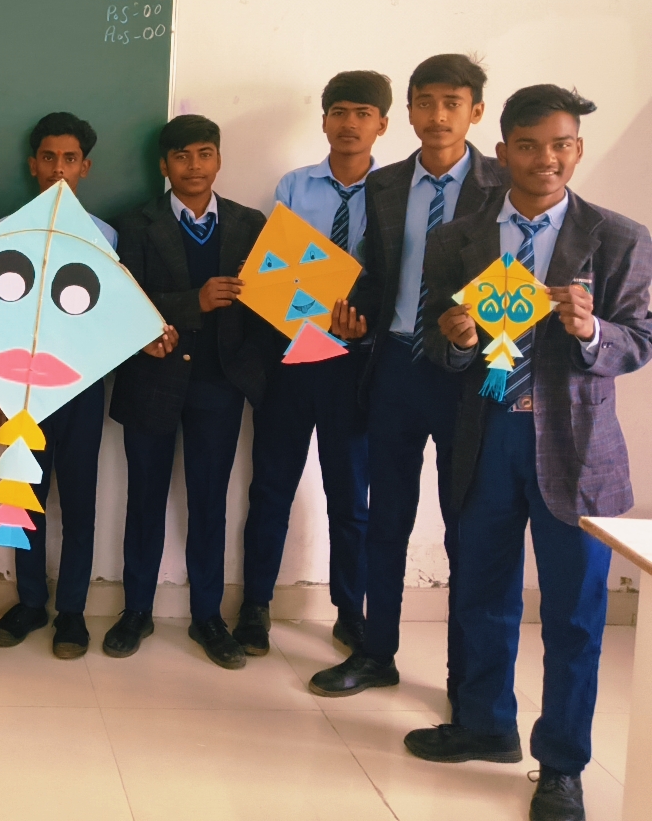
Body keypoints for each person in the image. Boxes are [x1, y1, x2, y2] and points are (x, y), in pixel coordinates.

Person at [411, 86, 651, 821]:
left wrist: (590, 332)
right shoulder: (458, 238)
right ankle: (486, 725)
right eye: (529, 145)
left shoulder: (618, 238)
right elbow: (433, 341)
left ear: (577, 149)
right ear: (503, 150)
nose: (547, 159)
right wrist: (456, 340)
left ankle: (563, 765)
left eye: (561, 145)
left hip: (576, 449)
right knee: (482, 594)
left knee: (575, 617)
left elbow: (639, 341)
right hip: (486, 437)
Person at [310, 54, 509, 704]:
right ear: (410, 111)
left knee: (463, 527)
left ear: (476, 111)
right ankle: (376, 653)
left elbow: (520, 274)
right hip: (394, 365)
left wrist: (482, 331)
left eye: (452, 103)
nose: (438, 116)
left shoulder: (502, 185)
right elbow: (378, 270)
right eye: (426, 102)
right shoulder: (387, 183)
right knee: (386, 518)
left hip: (467, 378)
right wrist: (354, 317)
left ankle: (463, 679)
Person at [0, 111, 175, 659]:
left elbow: (113, 312)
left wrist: (149, 337)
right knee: (23, 499)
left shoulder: (106, 235)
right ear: (32, 164)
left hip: (81, 387)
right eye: (48, 158)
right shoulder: (5, 229)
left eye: (70, 159)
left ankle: (71, 611)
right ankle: (29, 601)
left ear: (85, 167)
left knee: (79, 503)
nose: (58, 169)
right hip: (21, 389)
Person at [233, 72, 388, 657]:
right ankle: (255, 606)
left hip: (356, 364)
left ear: (382, 124)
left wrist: (364, 322)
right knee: (271, 488)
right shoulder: (294, 186)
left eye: (363, 113)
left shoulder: (393, 192)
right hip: (293, 358)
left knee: (350, 497)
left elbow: (395, 275)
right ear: (324, 120)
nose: (350, 124)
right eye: (339, 112)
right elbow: (275, 268)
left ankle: (350, 611)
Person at [108, 114, 270, 668]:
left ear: (219, 159)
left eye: (204, 154)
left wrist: (250, 368)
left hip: (219, 386)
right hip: (151, 382)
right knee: (144, 500)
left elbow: (267, 305)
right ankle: (136, 610)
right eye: (181, 156)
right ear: (164, 165)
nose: (194, 166)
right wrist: (192, 303)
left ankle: (208, 616)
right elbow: (121, 301)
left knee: (209, 503)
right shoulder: (134, 224)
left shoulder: (250, 224)